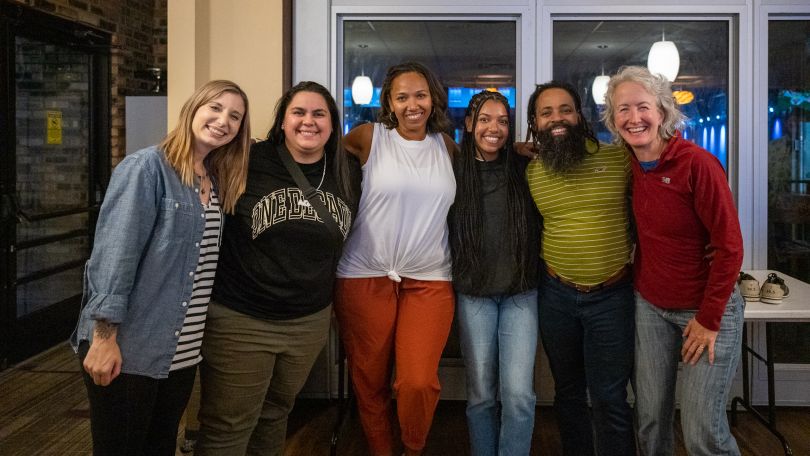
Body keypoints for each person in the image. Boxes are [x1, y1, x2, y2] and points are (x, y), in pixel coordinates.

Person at [70, 79, 251, 455]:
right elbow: (113, 259)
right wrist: (104, 339)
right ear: (193, 109)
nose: (223, 121)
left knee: (159, 446)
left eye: (235, 116)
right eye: (215, 108)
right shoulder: (146, 168)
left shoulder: (216, 179)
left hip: (181, 352)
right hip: (131, 346)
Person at [193, 81, 355, 456]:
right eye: (298, 112)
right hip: (241, 319)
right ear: (282, 120)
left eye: (319, 114)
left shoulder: (348, 171)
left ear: (332, 124)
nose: (308, 121)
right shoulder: (245, 159)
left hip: (308, 323)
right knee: (227, 425)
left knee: (276, 414)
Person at [602, 65, 744, 456]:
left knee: (702, 432)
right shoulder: (630, 163)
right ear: (613, 119)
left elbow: (730, 247)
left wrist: (709, 319)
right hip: (651, 306)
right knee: (650, 420)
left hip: (706, 310)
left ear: (663, 111)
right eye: (623, 109)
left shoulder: (698, 164)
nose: (634, 118)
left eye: (643, 107)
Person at [334, 61, 457, 456]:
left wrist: (522, 152)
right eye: (402, 97)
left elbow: (489, 165)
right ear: (388, 102)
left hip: (430, 279)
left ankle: (412, 448)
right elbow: (316, 155)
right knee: (369, 383)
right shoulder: (368, 137)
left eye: (420, 95)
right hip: (364, 275)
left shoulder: (446, 145)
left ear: (433, 99)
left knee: (417, 381)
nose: (412, 105)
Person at [525, 81, 636, 456]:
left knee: (610, 396)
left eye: (565, 109)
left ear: (579, 115)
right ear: (535, 123)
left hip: (612, 297)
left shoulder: (619, 160)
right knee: (568, 392)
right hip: (556, 296)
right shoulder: (532, 172)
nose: (557, 118)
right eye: (546, 112)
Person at [449, 90, 541, 455]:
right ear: (469, 123)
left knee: (518, 394)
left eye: (503, 121)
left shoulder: (524, 167)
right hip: (474, 294)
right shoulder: (453, 170)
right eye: (485, 119)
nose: (494, 128)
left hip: (520, 293)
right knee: (481, 395)